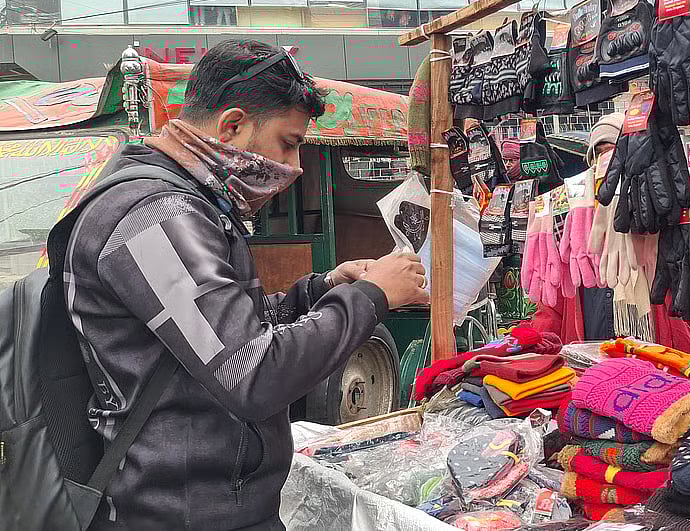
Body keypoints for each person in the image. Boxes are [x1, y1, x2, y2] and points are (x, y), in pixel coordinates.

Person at [65, 39, 431, 530]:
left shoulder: (186, 204)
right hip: (178, 513)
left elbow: (222, 331)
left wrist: (321, 289)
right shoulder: (155, 214)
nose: (295, 165)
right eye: (289, 141)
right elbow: (251, 372)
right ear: (232, 124)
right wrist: (372, 296)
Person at [528, 112, 690, 353]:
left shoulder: (659, 209)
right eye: (599, 153)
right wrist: (534, 348)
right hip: (588, 353)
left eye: (615, 150)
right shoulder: (571, 217)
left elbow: (679, 299)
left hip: (653, 351)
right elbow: (552, 303)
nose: (607, 161)